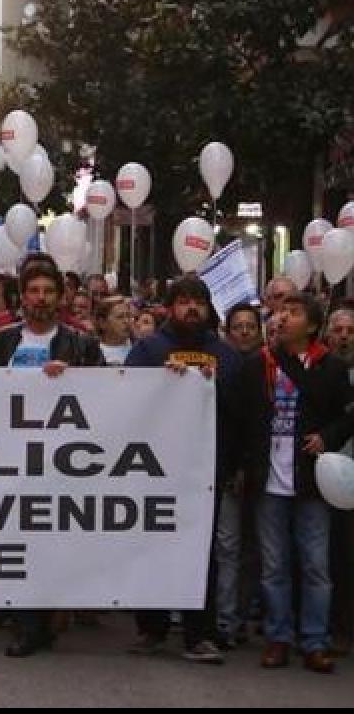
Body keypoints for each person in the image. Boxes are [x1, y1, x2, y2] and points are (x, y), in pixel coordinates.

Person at [0, 254, 104, 657]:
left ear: (60, 297)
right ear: (22, 298)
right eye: (33, 291)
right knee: (18, 541)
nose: (41, 298)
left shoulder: (81, 344)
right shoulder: (0, 341)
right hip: (11, 462)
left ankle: (42, 618)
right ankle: (29, 623)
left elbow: (112, 396)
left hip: (62, 465)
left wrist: (75, 379)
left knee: (52, 543)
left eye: (49, 291)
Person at [230, 294, 353, 673]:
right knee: (274, 564)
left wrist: (327, 439)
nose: (283, 317)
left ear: (313, 327)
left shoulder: (329, 367)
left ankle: (314, 640)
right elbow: (240, 418)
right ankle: (278, 637)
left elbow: (347, 415)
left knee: (315, 565)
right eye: (281, 312)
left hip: (310, 482)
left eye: (294, 313)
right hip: (269, 480)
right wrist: (240, 466)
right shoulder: (259, 364)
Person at [125, 275, 241, 664]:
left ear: (208, 309)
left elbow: (241, 415)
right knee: (151, 546)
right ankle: (152, 628)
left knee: (201, 554)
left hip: (205, 474)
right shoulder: (148, 350)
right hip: (154, 471)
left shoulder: (225, 355)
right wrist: (162, 382)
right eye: (183, 301)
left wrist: (211, 386)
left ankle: (200, 634)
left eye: (198, 302)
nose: (191, 308)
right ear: (170, 308)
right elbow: (123, 400)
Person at [214, 303, 265, 649]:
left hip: (262, 472)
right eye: (238, 326)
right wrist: (234, 467)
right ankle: (225, 621)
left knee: (255, 549)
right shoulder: (221, 369)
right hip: (230, 470)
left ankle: (243, 614)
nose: (245, 332)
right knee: (229, 546)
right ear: (227, 332)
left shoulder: (269, 368)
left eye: (250, 326)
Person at [324, 307, 354, 655]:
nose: (344, 335)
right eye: (338, 329)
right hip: (328, 475)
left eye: (350, 330)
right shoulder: (321, 370)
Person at [94, 296, 134, 366]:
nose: (126, 321)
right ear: (102, 323)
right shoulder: (90, 352)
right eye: (120, 317)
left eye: (128, 316)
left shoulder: (141, 349)